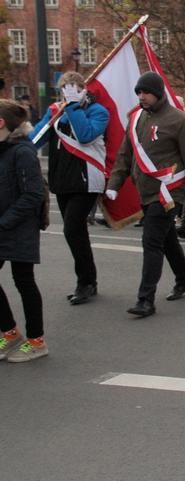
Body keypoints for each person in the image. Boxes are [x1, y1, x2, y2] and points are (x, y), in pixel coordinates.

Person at [106, 71, 185, 317]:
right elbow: (125, 154)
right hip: (145, 190)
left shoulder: (179, 120)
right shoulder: (136, 119)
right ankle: (184, 279)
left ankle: (145, 300)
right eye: (139, 92)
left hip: (169, 192)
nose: (141, 97)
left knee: (151, 241)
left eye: (146, 92)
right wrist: (115, 183)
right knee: (167, 239)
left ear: (158, 93)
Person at [31, 71, 109, 305]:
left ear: (84, 89)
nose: (69, 94)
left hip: (87, 180)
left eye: (75, 88)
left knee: (72, 229)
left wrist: (74, 107)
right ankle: (89, 280)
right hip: (63, 180)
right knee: (77, 232)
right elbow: (35, 139)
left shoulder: (98, 111)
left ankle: (84, 282)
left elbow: (85, 136)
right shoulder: (56, 111)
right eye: (65, 90)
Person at [0, 100, 47, 362]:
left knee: (24, 281)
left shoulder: (22, 152)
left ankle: (36, 341)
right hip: (4, 225)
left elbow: (33, 194)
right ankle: (9, 333)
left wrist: (5, 221)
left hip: (20, 226)